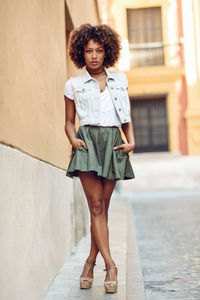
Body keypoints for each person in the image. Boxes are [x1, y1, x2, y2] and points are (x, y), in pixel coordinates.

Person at [64, 23, 135, 294]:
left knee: (103, 208)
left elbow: (125, 117)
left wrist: (132, 141)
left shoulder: (120, 80)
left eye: (99, 50)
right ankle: (110, 265)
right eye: (89, 50)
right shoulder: (73, 85)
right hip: (87, 144)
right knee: (95, 207)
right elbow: (69, 122)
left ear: (107, 52)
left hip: (113, 145)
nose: (94, 55)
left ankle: (90, 262)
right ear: (81, 53)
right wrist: (73, 139)